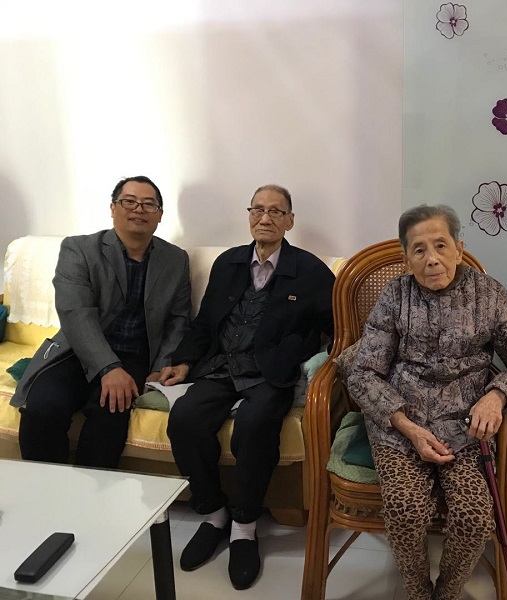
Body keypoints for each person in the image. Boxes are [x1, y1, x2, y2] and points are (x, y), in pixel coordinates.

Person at [347, 204, 507, 600]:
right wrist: (407, 427)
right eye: (419, 250)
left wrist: (497, 396)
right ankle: (418, 591)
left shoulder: (488, 294)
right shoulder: (394, 295)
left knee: (475, 517)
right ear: (407, 259)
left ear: (459, 248)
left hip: (466, 425)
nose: (432, 258)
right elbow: (363, 372)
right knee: (405, 509)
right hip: (401, 423)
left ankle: (448, 591)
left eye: (441, 245)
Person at [159, 184, 334, 590]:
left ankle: (244, 526)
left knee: (254, 427)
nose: (265, 218)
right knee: (184, 419)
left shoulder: (310, 271)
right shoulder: (229, 263)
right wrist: (183, 362)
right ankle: (213, 513)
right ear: (249, 215)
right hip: (221, 366)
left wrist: (316, 361)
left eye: (276, 211)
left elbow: (337, 328)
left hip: (272, 373)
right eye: (258, 210)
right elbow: (205, 323)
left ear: (290, 220)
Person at [13, 176, 191, 469]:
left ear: (159, 215)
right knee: (43, 409)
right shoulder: (79, 249)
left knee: (110, 416)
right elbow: (75, 312)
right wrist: (108, 367)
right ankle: (46, 490)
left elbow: (178, 319)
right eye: (129, 201)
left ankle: (91, 494)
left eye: (149, 204)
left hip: (135, 357)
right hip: (76, 352)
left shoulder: (175, 259)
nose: (139, 209)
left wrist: (161, 366)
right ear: (113, 207)